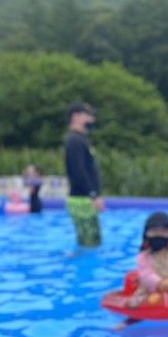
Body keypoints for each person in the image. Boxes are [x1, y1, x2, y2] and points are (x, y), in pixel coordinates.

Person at [126, 212, 168, 308]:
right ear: (146, 234)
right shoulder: (143, 256)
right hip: (148, 291)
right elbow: (146, 273)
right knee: (133, 304)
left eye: (164, 231)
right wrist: (158, 282)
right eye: (154, 231)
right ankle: (128, 322)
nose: (159, 234)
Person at [64, 102, 104, 247]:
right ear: (75, 117)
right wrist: (93, 195)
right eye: (87, 116)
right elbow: (78, 171)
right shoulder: (75, 140)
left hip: (84, 198)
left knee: (91, 241)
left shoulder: (80, 140)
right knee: (89, 243)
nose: (91, 120)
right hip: (82, 199)